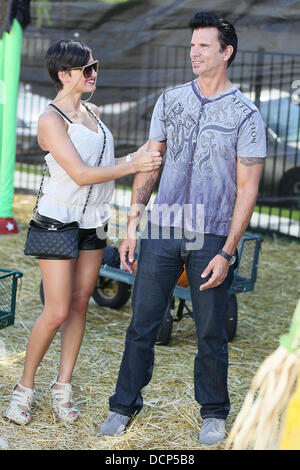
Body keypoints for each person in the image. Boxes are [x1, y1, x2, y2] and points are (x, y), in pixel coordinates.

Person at [100, 12, 267, 445]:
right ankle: (123, 406)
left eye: (204, 46)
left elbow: (248, 189)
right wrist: (133, 225)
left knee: (210, 329)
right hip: (164, 228)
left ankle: (213, 413)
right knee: (142, 324)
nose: (195, 52)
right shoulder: (170, 100)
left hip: (210, 232)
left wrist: (228, 251)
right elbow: (149, 166)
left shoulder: (246, 115)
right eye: (192, 45)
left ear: (226, 52)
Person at [3, 39, 162, 426]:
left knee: (78, 305)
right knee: (56, 310)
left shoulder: (93, 111)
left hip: (94, 222)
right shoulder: (50, 119)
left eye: (96, 66)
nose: (94, 74)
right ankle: (23, 389)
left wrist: (142, 154)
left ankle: (63, 386)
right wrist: (132, 164)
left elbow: (110, 164)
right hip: (58, 220)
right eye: (86, 69)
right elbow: (80, 174)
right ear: (64, 74)